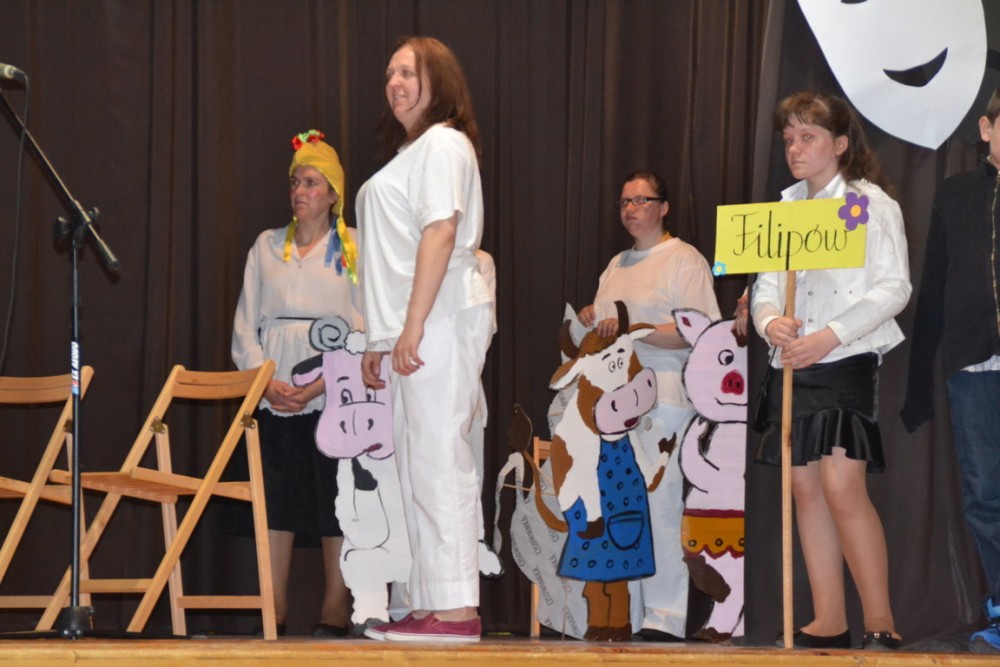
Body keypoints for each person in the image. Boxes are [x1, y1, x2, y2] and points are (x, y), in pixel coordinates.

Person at [751, 91, 910, 650]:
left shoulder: (870, 204)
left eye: (808, 137)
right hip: (793, 361)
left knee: (842, 485)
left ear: (840, 144)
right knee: (804, 486)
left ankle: (881, 620)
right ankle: (829, 619)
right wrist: (770, 322)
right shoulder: (783, 211)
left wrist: (830, 335)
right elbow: (764, 287)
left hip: (843, 356)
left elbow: (894, 287)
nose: (795, 149)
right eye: (789, 139)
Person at [356, 36, 494, 644]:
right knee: (417, 465)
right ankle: (430, 598)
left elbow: (441, 232)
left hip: (440, 315)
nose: (395, 83)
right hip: (416, 322)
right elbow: (390, 255)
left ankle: (457, 608)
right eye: (390, 73)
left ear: (439, 81)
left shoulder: (443, 142)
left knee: (440, 456)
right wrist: (381, 335)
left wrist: (410, 325)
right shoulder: (413, 152)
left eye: (408, 72)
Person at [577, 170, 721, 642]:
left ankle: (666, 616)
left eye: (641, 200)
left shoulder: (684, 259)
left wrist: (633, 327)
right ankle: (631, 614)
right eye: (624, 202)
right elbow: (608, 328)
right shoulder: (615, 265)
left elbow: (699, 331)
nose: (631, 209)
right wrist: (594, 320)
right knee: (623, 506)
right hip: (614, 401)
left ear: (664, 207)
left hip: (664, 396)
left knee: (660, 505)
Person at [231, 129, 359, 637]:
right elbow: (245, 324)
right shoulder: (266, 247)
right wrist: (263, 381)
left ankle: (335, 606)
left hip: (333, 393)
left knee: (335, 500)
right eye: (295, 183)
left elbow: (366, 325)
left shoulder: (353, 249)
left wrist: (324, 382)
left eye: (311, 183)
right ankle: (275, 606)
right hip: (276, 388)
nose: (299, 192)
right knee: (277, 497)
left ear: (332, 194)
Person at [900, 87, 1000, 652]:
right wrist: (919, 384)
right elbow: (933, 286)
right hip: (975, 366)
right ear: (986, 128)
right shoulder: (956, 193)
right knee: (985, 493)